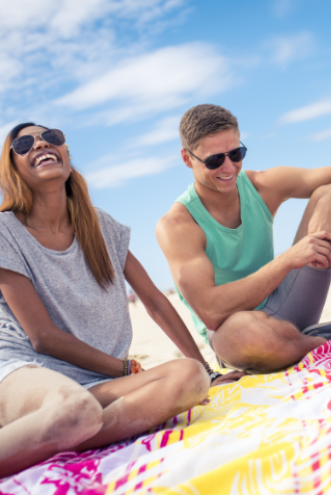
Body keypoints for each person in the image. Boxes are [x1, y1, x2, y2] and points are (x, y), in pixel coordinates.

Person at [0, 123, 241, 478]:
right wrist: (123, 369)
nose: (40, 143)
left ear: (66, 155)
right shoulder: (6, 230)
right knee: (76, 410)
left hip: (95, 381)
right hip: (25, 370)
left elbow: (155, 302)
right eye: (24, 143)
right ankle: (63, 425)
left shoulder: (101, 226)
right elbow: (42, 336)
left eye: (51, 137)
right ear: (12, 166)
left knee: (189, 377)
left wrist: (206, 368)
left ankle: (53, 435)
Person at [157, 104, 331, 374]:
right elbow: (211, 311)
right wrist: (287, 260)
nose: (229, 167)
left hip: (288, 301)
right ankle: (329, 337)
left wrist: (329, 204)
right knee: (244, 335)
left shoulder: (261, 185)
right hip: (236, 330)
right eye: (214, 160)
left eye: (236, 154)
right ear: (187, 159)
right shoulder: (177, 225)